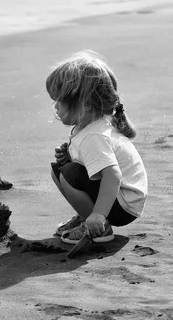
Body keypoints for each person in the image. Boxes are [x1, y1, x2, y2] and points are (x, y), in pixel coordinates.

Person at [47, 51, 148, 244]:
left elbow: (112, 175)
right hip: (119, 197)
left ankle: (98, 226)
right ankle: (87, 215)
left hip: (124, 203)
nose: (55, 107)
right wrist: (69, 157)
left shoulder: (94, 136)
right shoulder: (90, 127)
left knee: (69, 174)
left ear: (83, 104)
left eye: (59, 100)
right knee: (59, 169)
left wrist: (99, 214)